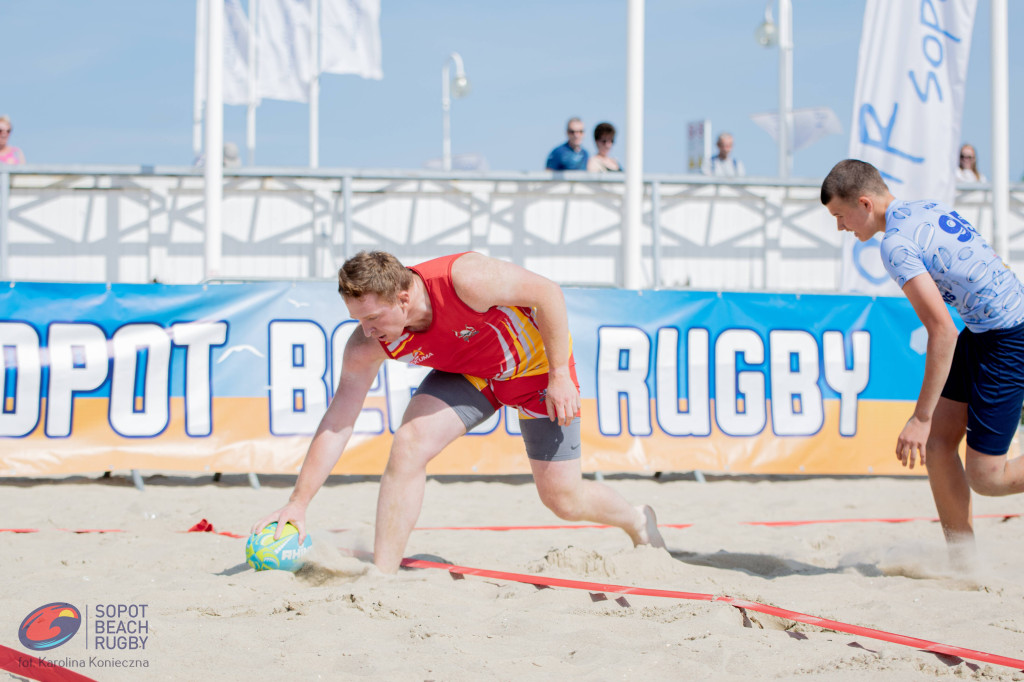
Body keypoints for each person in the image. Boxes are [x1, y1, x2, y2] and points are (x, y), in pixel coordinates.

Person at [253, 250, 666, 573]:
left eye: (373, 318)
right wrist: (297, 504)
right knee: (409, 444)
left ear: (404, 296)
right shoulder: (366, 345)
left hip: (537, 371)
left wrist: (560, 374)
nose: (366, 331)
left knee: (564, 500)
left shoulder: (465, 279)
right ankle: (383, 576)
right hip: (475, 375)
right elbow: (338, 420)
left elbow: (548, 294)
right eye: (358, 320)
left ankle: (636, 519)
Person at [821, 159, 1024, 568]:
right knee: (938, 448)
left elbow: (942, 332)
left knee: (987, 477)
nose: (841, 228)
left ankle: (963, 558)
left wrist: (921, 415)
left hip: (1007, 338)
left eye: (841, 217)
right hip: (988, 329)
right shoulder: (927, 207)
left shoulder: (894, 244)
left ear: (864, 203)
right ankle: (964, 564)